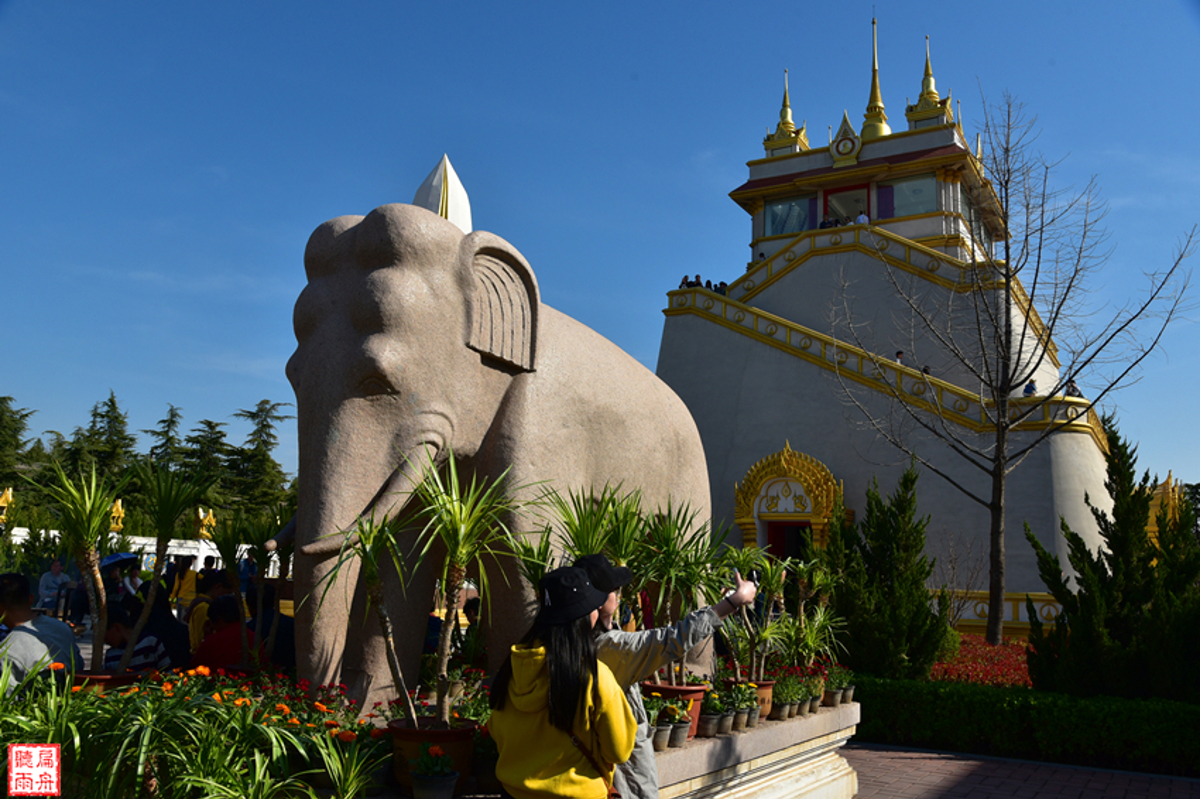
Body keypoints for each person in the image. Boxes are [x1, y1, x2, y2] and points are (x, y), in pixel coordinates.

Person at [574, 554, 756, 799]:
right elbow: (672, 639)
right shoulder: (609, 648)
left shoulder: (584, 643)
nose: (618, 595)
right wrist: (734, 601)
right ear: (596, 599)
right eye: (613, 590)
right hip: (623, 780)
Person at [489, 567, 636, 799]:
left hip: (513, 793)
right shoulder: (593, 677)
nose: (597, 612)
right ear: (584, 617)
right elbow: (619, 749)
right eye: (593, 608)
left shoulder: (512, 669)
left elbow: (497, 732)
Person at [0, 572, 84, 682]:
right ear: (31, 599)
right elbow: (79, 666)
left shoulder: (7, 651)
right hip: (70, 695)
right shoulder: (63, 629)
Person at [190, 595, 262, 670]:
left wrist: (206, 638)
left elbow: (194, 665)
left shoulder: (214, 641)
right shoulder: (254, 638)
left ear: (219, 620)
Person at [103, 605, 171, 672]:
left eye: (104, 633)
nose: (103, 639)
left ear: (116, 628)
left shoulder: (151, 643)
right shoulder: (111, 656)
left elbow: (168, 673)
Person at [186, 572, 231, 653]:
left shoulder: (202, 603)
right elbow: (201, 640)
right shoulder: (204, 607)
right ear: (218, 587)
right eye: (228, 593)